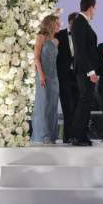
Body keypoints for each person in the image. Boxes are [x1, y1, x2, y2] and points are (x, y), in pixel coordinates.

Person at [70, 0, 99, 146]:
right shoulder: (80, 23)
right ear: (90, 8)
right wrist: (90, 72)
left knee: (86, 102)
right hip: (84, 71)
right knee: (84, 102)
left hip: (85, 69)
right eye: (95, 8)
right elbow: (81, 51)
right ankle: (77, 136)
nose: (95, 11)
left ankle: (80, 135)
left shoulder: (81, 23)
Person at [31, 14, 60, 144]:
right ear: (51, 24)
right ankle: (42, 135)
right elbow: (36, 58)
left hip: (54, 76)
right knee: (43, 104)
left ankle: (51, 135)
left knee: (52, 105)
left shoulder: (56, 41)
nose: (59, 25)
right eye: (57, 23)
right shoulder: (41, 37)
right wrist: (41, 74)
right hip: (43, 75)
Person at [55, 12, 79, 144]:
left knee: (76, 107)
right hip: (63, 76)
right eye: (74, 23)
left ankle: (75, 136)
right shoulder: (59, 35)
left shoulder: (82, 36)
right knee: (67, 107)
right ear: (69, 23)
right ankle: (67, 136)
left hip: (77, 76)